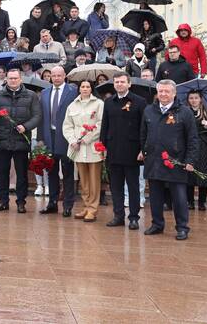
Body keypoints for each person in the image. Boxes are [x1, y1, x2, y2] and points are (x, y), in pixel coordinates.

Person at [141, 80, 199, 240]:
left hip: (176, 162)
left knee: (179, 197)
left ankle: (182, 227)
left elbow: (193, 139)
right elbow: (143, 134)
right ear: (157, 93)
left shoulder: (185, 112)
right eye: (161, 91)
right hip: (154, 161)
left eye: (167, 91)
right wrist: (144, 151)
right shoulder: (149, 111)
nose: (163, 94)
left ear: (174, 93)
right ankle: (157, 224)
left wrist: (190, 160)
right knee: (155, 196)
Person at [0, 69, 41, 213]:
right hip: (3, 139)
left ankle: (21, 202)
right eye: (10, 78)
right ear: (6, 79)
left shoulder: (31, 96)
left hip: (21, 141)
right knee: (3, 173)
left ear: (20, 79)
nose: (13, 80)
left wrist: (26, 127)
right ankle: (3, 201)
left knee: (22, 174)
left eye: (15, 78)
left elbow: (37, 116)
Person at [101, 72, 146, 230]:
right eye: (116, 82)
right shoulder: (109, 102)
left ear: (129, 84)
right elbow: (104, 126)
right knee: (116, 186)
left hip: (132, 151)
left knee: (133, 186)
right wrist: (102, 146)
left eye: (122, 82)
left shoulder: (139, 102)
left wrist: (143, 148)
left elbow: (143, 127)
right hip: (113, 150)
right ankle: (118, 215)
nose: (119, 84)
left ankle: (133, 217)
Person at [38, 66, 78, 217]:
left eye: (58, 75)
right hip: (49, 137)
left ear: (64, 76)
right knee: (51, 172)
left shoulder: (72, 92)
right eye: (53, 75)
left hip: (66, 137)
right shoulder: (45, 92)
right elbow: (42, 117)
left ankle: (68, 205)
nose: (55, 78)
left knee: (67, 172)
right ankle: (52, 203)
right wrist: (41, 138)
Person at [62, 80, 104, 222]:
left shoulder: (99, 104)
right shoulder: (72, 105)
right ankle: (86, 206)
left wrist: (86, 139)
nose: (85, 89)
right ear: (79, 88)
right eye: (82, 86)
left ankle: (93, 208)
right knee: (83, 180)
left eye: (87, 87)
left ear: (91, 89)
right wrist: (73, 140)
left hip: (92, 147)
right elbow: (67, 126)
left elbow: (100, 124)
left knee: (94, 180)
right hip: (77, 148)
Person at [186, 91, 207, 210]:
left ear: (200, 99)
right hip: (190, 146)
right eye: (191, 98)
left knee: (203, 174)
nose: (193, 100)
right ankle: (189, 201)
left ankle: (201, 202)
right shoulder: (185, 112)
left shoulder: (206, 112)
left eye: (196, 98)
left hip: (204, 146)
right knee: (190, 173)